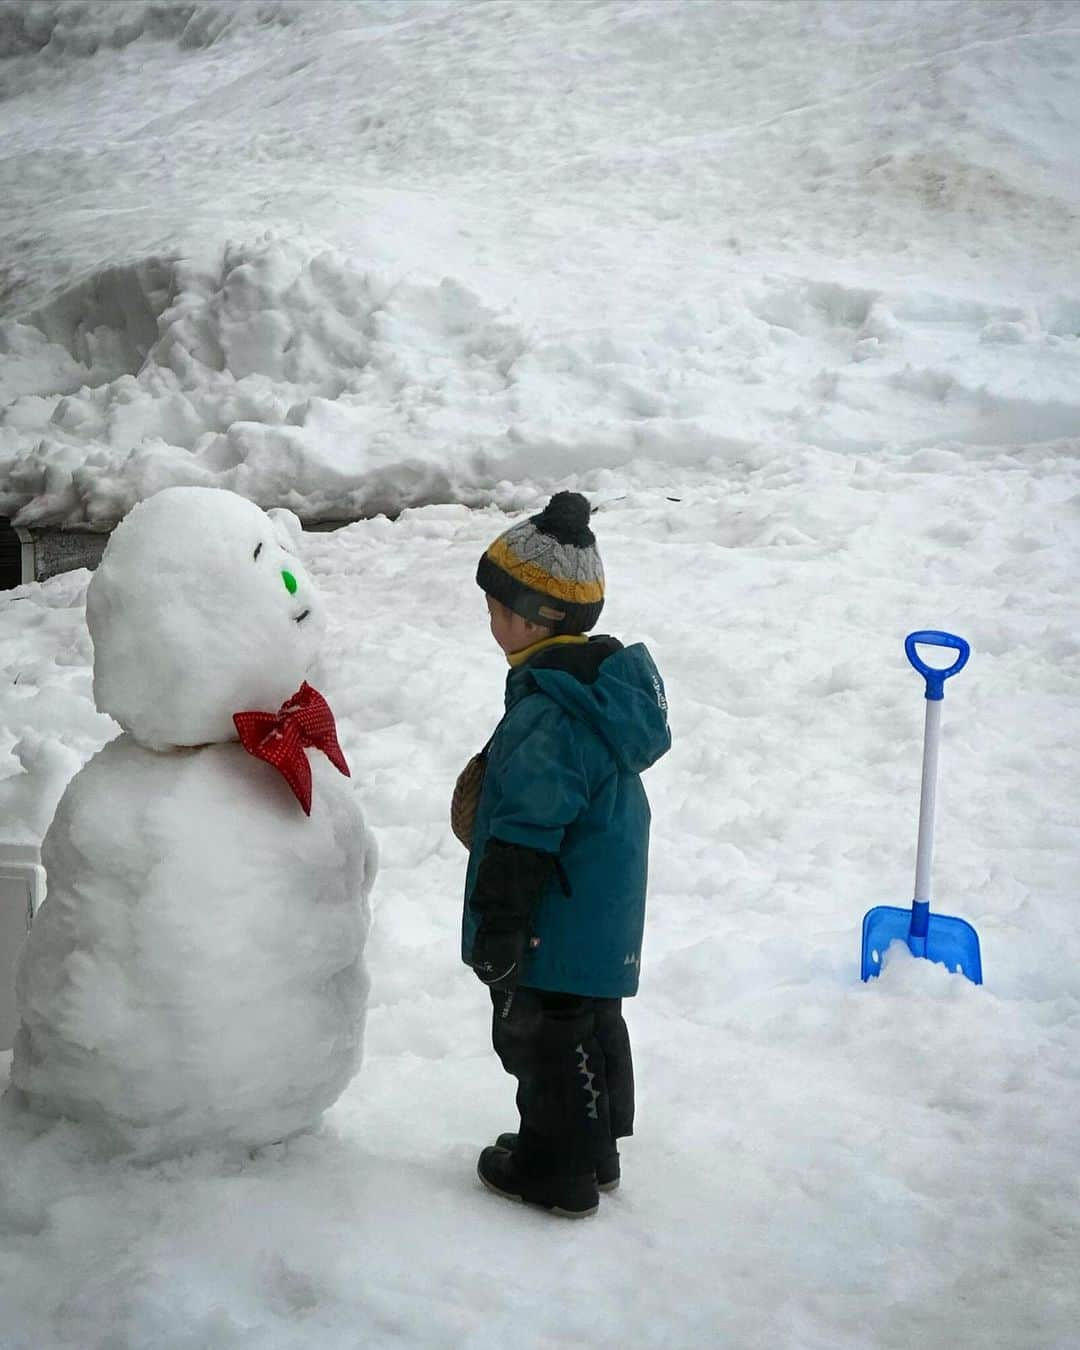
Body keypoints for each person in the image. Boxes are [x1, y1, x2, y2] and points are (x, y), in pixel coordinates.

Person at [459, 490, 671, 1218]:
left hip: (556, 908)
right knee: (585, 1022)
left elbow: (526, 827)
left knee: (541, 1037)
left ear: (534, 617)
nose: (489, 619)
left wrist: (500, 923)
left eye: (496, 607)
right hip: (596, 907)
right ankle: (594, 1152)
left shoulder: (549, 713)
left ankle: (557, 1171)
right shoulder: (594, 692)